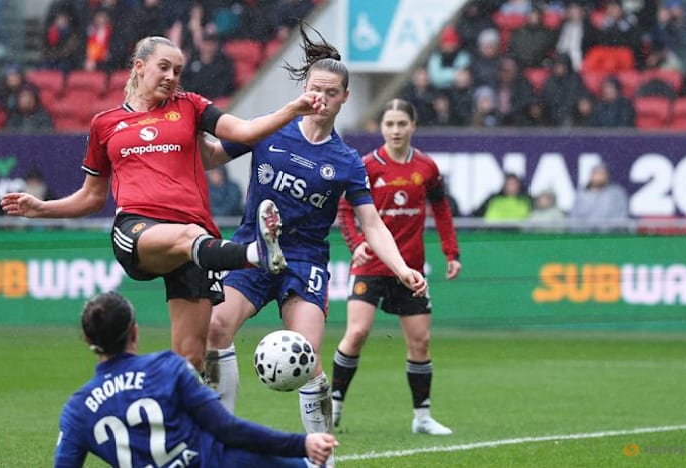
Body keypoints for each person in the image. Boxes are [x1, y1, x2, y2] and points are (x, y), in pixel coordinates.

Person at [1, 36, 327, 372]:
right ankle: (255, 255)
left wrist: (291, 110)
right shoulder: (105, 123)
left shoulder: (190, 106)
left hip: (197, 241)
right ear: (139, 67)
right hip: (139, 229)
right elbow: (91, 197)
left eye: (178, 70)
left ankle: (190, 422)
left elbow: (243, 131)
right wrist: (42, 208)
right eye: (164, 67)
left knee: (192, 359)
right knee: (187, 237)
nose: (172, 76)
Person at [201, 23, 426, 445]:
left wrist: (400, 268)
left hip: (303, 262)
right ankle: (222, 439)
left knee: (306, 357)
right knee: (214, 328)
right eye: (314, 89)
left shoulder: (346, 161)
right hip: (251, 249)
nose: (320, 99)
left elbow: (371, 223)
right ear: (304, 88)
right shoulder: (271, 128)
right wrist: (186, 128)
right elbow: (212, 156)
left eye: (331, 93)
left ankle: (322, 452)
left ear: (345, 97)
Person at [55, 291, 338, 468]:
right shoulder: (168, 368)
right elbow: (228, 429)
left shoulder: (77, 410)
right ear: (134, 332)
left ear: (88, 340)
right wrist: (302, 444)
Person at [330, 98, 460, 436]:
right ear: (381, 128)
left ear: (413, 126)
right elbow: (345, 210)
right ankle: (335, 405)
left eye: (402, 123)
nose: (396, 130)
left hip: (411, 269)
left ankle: (422, 418)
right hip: (371, 266)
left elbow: (442, 211)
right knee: (357, 333)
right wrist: (356, 244)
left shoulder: (427, 168)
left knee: (421, 342)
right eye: (389, 124)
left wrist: (451, 252)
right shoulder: (367, 166)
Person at [569, 163, 628, 232]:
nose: (598, 177)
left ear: (607, 176)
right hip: (584, 236)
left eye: (601, 173)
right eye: (595, 173)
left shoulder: (616, 193)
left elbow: (621, 217)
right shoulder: (581, 193)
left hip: (609, 236)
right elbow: (574, 217)